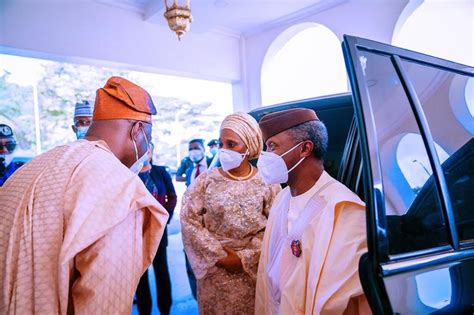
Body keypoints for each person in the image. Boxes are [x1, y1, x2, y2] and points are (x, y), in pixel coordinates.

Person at [0, 77, 169, 314]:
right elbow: (104, 303)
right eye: (148, 139)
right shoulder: (121, 188)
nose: (147, 148)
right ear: (137, 130)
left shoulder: (31, 168)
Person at [255, 108, 370, 314]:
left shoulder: (344, 209)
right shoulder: (282, 198)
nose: (266, 156)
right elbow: (268, 275)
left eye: (272, 146)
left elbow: (338, 304)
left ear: (305, 148)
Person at [181, 112, 280, 314]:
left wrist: (245, 257)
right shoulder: (206, 180)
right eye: (221, 143)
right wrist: (218, 255)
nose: (224, 150)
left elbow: (276, 227)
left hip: (253, 273)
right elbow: (189, 219)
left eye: (231, 144)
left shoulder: (268, 183)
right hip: (214, 271)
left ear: (249, 146)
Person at [136, 142, 177, 315]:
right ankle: (144, 310)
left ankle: (165, 310)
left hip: (159, 231)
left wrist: (164, 218)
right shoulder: (130, 174)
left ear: (152, 152)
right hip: (136, 233)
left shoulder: (161, 171)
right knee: (140, 276)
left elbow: (172, 196)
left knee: (162, 272)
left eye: (148, 149)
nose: (145, 153)